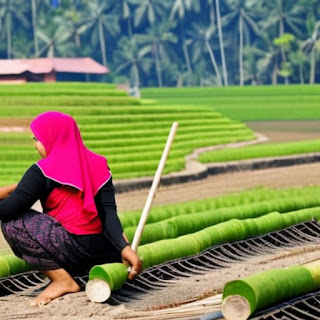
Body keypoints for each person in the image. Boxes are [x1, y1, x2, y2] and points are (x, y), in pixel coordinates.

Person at [0, 111, 142, 306]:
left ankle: (62, 280)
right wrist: (124, 248)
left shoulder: (42, 170)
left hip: (70, 251)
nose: (36, 146)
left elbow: (8, 210)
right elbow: (108, 214)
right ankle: (70, 276)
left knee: (13, 223)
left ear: (51, 138)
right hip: (102, 252)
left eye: (37, 139)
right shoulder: (100, 164)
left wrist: (15, 190)